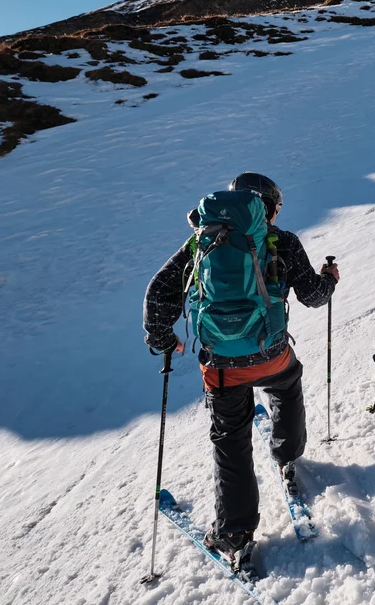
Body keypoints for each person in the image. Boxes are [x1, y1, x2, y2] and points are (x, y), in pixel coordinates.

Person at [142, 172, 338, 567]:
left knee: (231, 440)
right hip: (272, 354)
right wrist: (329, 280)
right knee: (287, 385)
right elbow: (314, 296)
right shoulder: (281, 241)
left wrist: (163, 340)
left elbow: (158, 294)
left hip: (221, 366)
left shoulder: (201, 242)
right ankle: (287, 453)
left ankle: (235, 533)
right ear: (267, 207)